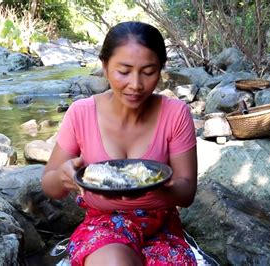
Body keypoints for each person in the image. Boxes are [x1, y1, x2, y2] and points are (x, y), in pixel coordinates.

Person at [41, 21, 198, 266]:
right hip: (103, 224)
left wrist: (154, 187)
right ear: (104, 66)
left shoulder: (175, 113)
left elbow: (187, 192)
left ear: (160, 69)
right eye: (123, 71)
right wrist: (63, 177)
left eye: (148, 72)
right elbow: (50, 185)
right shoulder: (81, 113)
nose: (136, 84)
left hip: (162, 228)